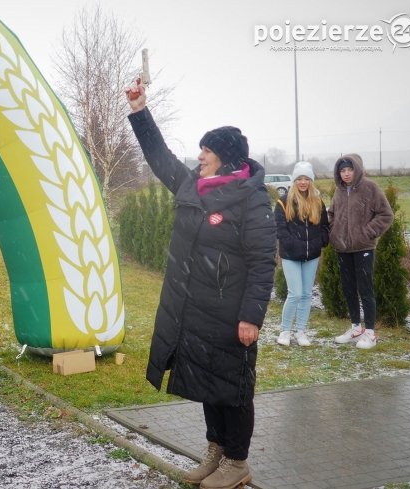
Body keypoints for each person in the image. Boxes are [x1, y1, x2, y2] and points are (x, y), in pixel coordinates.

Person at [126, 80, 276, 488]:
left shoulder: (252, 198)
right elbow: (159, 158)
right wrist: (140, 112)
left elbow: (264, 263)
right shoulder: (194, 184)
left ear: (225, 158)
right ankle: (216, 451)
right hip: (197, 309)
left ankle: (238, 461)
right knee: (210, 381)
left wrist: (251, 316)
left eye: (206, 152)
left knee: (235, 387)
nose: (199, 157)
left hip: (232, 314)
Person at [329, 154, 393, 350]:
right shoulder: (339, 191)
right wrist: (334, 232)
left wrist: (367, 233)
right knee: (349, 289)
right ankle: (356, 328)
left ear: (357, 169)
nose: (346, 174)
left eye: (350, 170)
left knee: (365, 289)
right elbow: (332, 214)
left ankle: (370, 333)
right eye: (343, 170)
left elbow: (386, 214)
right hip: (343, 248)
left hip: (364, 248)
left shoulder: (370, 188)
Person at [274, 162, 329, 347]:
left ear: (311, 181)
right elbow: (280, 229)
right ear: (294, 180)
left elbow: (324, 226)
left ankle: (301, 331)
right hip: (290, 255)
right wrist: (293, 244)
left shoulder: (318, 202)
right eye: (299, 179)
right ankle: (285, 331)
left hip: (311, 255)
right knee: (295, 294)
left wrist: (320, 241)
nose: (303, 182)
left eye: (307, 178)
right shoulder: (283, 201)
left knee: (306, 294)